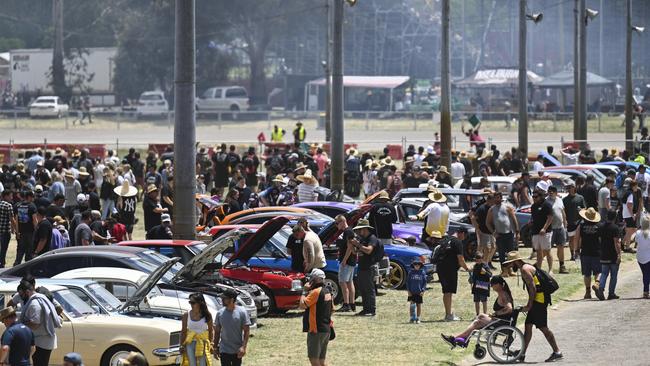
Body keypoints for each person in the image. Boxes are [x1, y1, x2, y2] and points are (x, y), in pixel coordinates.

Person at [503, 252, 562, 363]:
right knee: (528, 326)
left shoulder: (525, 270)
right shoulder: (527, 267)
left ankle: (557, 352)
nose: (510, 266)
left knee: (543, 327)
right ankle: (522, 354)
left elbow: (532, 288)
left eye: (511, 263)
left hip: (539, 302)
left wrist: (529, 305)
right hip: (538, 300)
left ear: (516, 261)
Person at [441, 275, 514, 347]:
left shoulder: (503, 294)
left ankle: (456, 339)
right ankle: (461, 339)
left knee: (478, 320)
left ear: (498, 284)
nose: (491, 287)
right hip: (500, 320)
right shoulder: (503, 293)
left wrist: (496, 313)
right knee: (479, 318)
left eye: (492, 285)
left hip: (501, 322)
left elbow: (510, 309)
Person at [17, 279, 62, 366]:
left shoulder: (34, 303)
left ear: (27, 292)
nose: (21, 297)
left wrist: (21, 325)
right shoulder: (37, 299)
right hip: (41, 341)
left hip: (41, 343)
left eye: (21, 294)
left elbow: (35, 324)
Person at [299, 268, 333, 366]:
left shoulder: (315, 292)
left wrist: (304, 291)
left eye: (312, 279)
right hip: (326, 329)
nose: (310, 281)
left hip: (316, 330)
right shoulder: (327, 292)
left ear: (317, 279)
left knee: (314, 360)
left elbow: (302, 305)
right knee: (321, 361)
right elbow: (332, 309)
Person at [434, 231, 470, 321]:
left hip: (440, 268)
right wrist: (467, 268)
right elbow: (461, 259)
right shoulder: (457, 242)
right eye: (464, 236)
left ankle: (448, 313)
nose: (463, 239)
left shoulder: (445, 240)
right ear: (461, 233)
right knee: (448, 291)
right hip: (449, 269)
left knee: (446, 291)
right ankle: (448, 315)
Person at [214, 289, 250, 366]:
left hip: (237, 350)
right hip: (224, 349)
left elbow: (246, 331)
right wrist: (215, 347)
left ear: (232, 299)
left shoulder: (242, 312)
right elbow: (217, 332)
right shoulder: (220, 313)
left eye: (224, 298)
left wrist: (243, 347)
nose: (222, 300)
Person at [486, 192, 519, 276]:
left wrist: (517, 232)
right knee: (501, 254)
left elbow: (514, 220)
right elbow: (488, 223)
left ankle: (510, 271)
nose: (497, 199)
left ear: (501, 198)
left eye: (498, 197)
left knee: (511, 254)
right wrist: (493, 232)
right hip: (499, 235)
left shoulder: (507, 207)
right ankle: (504, 271)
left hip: (509, 234)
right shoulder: (492, 209)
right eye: (495, 198)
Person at [351, 219, 378, 316]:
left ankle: (371, 309)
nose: (358, 232)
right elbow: (356, 252)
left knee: (369, 289)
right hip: (362, 267)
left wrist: (358, 244)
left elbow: (369, 250)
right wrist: (351, 245)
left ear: (365, 229)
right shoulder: (363, 239)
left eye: (360, 229)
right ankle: (366, 309)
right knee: (362, 289)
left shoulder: (372, 238)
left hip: (369, 267)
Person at [593, 210, 622, 301]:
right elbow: (616, 242)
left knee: (604, 273)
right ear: (615, 217)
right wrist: (619, 254)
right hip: (612, 254)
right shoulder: (615, 228)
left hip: (603, 253)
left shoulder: (601, 227)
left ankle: (600, 289)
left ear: (606, 216)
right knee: (613, 275)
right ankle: (611, 293)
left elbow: (599, 239)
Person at [575, 207, 602, 299]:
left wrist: (576, 249)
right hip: (597, 251)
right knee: (598, 271)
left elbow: (577, 238)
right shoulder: (599, 226)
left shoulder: (581, 225)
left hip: (585, 252)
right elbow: (601, 239)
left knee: (587, 274)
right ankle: (597, 283)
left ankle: (587, 292)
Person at [180, 293, 214, 366]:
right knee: (192, 363)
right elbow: (183, 331)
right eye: (190, 302)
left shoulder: (207, 315)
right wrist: (181, 345)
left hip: (202, 342)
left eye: (193, 302)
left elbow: (211, 331)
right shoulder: (186, 315)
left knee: (202, 363)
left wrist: (211, 344)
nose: (191, 304)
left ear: (200, 303)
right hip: (190, 342)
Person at [334, 215, 356, 312]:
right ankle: (352, 304)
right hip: (350, 261)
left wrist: (344, 260)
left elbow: (350, 247)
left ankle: (346, 304)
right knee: (349, 282)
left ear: (342, 221)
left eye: (337, 223)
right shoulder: (347, 231)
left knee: (342, 282)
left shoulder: (348, 231)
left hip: (347, 261)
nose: (336, 225)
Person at [546, 186, 569, 274]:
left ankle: (562, 266)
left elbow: (563, 211)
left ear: (556, 192)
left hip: (560, 227)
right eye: (549, 191)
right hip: (550, 228)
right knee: (547, 249)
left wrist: (565, 221)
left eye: (552, 191)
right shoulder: (546, 201)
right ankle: (549, 268)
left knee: (561, 247)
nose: (551, 193)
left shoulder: (559, 200)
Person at [530, 189, 554, 273]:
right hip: (535, 231)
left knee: (547, 250)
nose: (534, 198)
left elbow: (550, 218)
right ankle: (539, 269)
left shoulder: (547, 205)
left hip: (546, 232)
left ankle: (550, 269)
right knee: (538, 252)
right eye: (533, 197)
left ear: (540, 196)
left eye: (536, 197)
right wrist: (531, 222)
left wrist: (544, 228)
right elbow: (534, 217)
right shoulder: (533, 206)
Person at [562, 180, 586, 261]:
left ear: (574, 187)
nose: (569, 189)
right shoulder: (565, 199)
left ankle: (577, 252)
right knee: (571, 239)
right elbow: (563, 211)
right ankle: (572, 254)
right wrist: (565, 221)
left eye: (571, 187)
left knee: (579, 238)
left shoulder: (580, 198)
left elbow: (584, 208)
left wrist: (581, 210)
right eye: (568, 187)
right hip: (570, 222)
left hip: (579, 221)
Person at [472, 193, 496, 270]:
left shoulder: (492, 208)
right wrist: (477, 228)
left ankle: (487, 262)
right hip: (483, 231)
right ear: (488, 200)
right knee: (486, 248)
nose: (493, 203)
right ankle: (484, 265)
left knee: (493, 247)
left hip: (491, 231)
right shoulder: (482, 208)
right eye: (492, 201)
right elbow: (473, 218)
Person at [14, 191, 37, 265]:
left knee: (20, 250)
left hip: (21, 232)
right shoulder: (32, 206)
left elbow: (16, 220)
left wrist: (17, 232)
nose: (33, 198)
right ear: (29, 197)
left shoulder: (18, 205)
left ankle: (16, 266)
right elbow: (34, 220)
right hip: (30, 232)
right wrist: (36, 230)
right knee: (29, 251)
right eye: (33, 197)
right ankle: (27, 267)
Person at [636, 214, 650, 299]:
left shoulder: (638, 233)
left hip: (640, 257)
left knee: (645, 274)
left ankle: (646, 291)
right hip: (648, 257)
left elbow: (636, 242)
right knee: (647, 274)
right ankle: (646, 291)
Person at [0, 190, 16, 268]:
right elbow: (12, 219)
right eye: (10, 196)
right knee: (3, 248)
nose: (11, 197)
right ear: (5, 196)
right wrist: (17, 230)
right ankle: (1, 263)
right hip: (5, 231)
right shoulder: (8, 205)